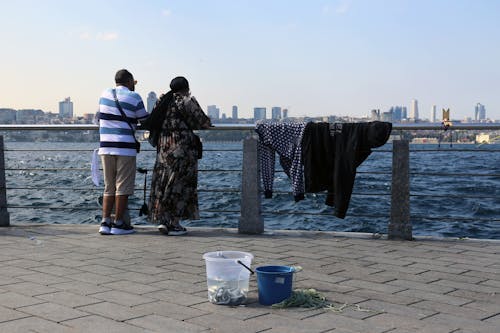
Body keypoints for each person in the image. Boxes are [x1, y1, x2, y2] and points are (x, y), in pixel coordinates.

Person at [148, 76, 212, 235]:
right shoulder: (186, 101)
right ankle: (174, 223)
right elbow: (203, 122)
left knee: (164, 184)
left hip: (163, 149)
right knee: (180, 186)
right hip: (182, 150)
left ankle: (164, 221)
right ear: (186, 88)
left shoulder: (162, 101)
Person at [97, 69, 149, 235]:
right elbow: (145, 120)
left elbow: (99, 116)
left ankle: (105, 222)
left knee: (109, 186)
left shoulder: (104, 93)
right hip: (125, 147)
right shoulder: (135, 97)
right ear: (130, 81)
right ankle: (119, 224)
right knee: (122, 187)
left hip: (105, 146)